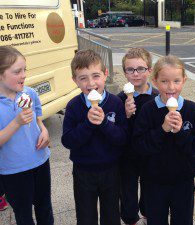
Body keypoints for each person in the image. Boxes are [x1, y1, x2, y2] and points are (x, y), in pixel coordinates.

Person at [132, 55, 195, 225]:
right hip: (154, 181)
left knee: (183, 220)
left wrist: (180, 132)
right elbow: (139, 146)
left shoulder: (191, 109)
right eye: (164, 81)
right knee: (156, 220)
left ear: (184, 81)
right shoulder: (148, 109)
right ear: (155, 81)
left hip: (183, 180)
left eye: (176, 81)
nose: (171, 87)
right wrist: (162, 130)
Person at [61, 49, 128, 225]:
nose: (91, 83)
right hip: (84, 171)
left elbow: (122, 138)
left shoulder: (115, 103)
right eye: (83, 78)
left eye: (96, 76)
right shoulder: (74, 106)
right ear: (75, 81)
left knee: (111, 214)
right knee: (85, 216)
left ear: (105, 75)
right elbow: (68, 141)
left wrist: (105, 123)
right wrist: (88, 124)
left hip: (111, 170)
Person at [0, 46, 53, 224]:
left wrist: (44, 131)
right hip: (13, 170)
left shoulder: (29, 93)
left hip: (40, 160)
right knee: (23, 213)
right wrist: (16, 122)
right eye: (17, 71)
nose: (23, 75)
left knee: (44, 206)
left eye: (24, 70)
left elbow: (38, 121)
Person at [117, 48, 159, 225]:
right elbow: (115, 131)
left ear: (149, 70)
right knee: (128, 190)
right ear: (125, 72)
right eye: (130, 69)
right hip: (127, 154)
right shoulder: (119, 99)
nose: (135, 74)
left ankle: (148, 214)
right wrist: (125, 116)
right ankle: (131, 219)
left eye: (140, 69)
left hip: (150, 154)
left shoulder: (158, 98)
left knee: (150, 188)